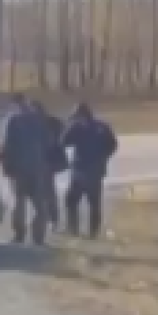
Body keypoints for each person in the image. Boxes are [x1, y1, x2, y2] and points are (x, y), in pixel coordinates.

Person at [0, 95, 51, 245]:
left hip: (19, 168)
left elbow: (7, 145)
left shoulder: (13, 121)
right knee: (40, 204)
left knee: (19, 203)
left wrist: (6, 166)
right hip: (37, 167)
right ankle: (38, 237)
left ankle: (19, 235)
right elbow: (48, 142)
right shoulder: (40, 120)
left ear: (15, 105)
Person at [61, 102, 118, 238]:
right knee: (94, 203)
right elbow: (113, 145)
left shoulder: (78, 127)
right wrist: (102, 157)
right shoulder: (103, 126)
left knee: (71, 200)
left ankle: (73, 229)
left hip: (80, 170)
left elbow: (63, 141)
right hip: (96, 170)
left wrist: (69, 127)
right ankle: (93, 232)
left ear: (80, 115)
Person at [31, 99, 68, 229]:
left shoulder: (41, 123)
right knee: (47, 192)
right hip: (45, 162)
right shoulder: (52, 122)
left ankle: (50, 219)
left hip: (45, 162)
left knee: (46, 193)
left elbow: (57, 139)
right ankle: (51, 219)